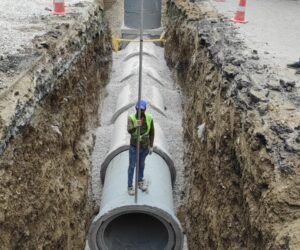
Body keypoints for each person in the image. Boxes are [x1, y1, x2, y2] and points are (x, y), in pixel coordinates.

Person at [127, 99, 154, 195]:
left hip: (144, 146)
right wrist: (136, 124)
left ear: (145, 109)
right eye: (138, 109)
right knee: (132, 166)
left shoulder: (149, 118)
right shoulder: (131, 118)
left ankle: (140, 182)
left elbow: (152, 132)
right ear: (135, 108)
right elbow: (129, 130)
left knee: (141, 165)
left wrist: (151, 145)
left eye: (142, 109)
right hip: (134, 146)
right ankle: (130, 186)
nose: (140, 111)